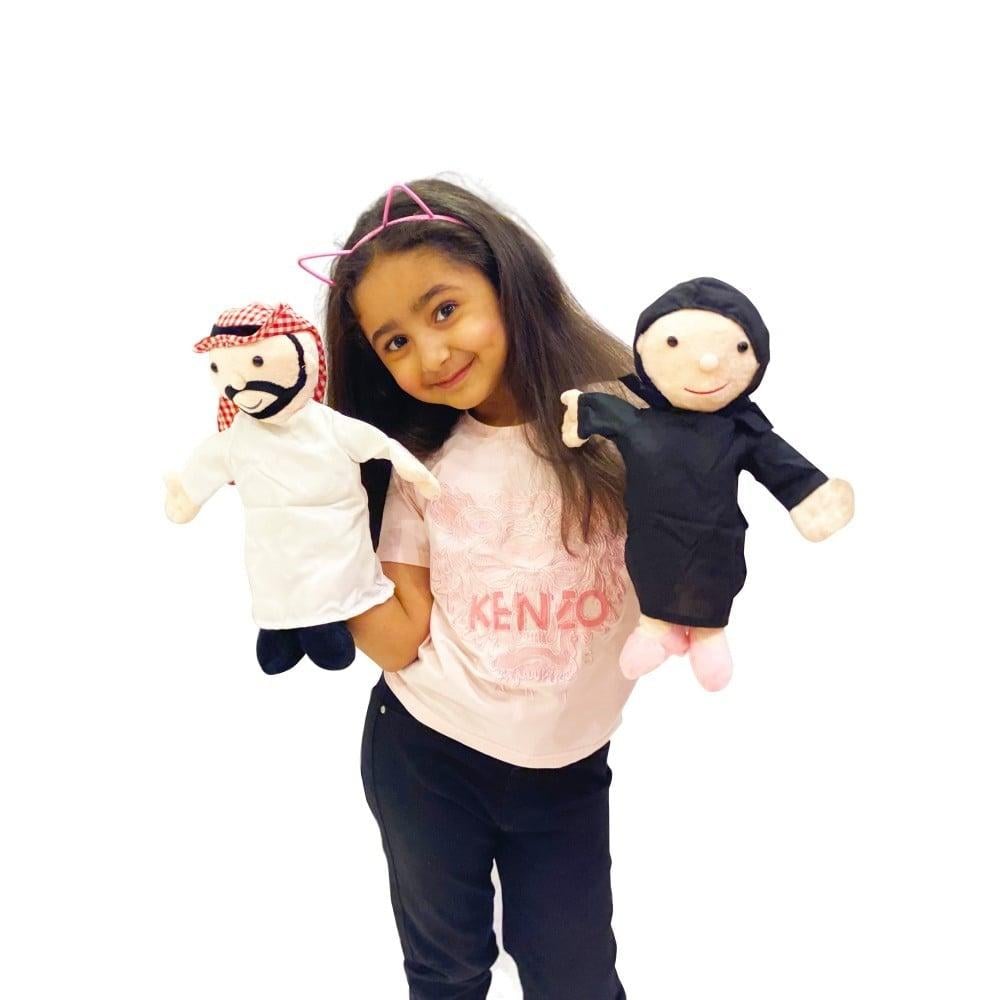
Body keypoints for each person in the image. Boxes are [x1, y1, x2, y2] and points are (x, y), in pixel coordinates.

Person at [308, 179, 639, 999]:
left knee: (575, 977)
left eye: (445, 309)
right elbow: (397, 640)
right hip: (428, 755)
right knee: (448, 970)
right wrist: (320, 522)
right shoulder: (420, 466)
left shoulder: (626, 422)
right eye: (394, 341)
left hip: (566, 768)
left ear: (507, 280)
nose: (429, 355)